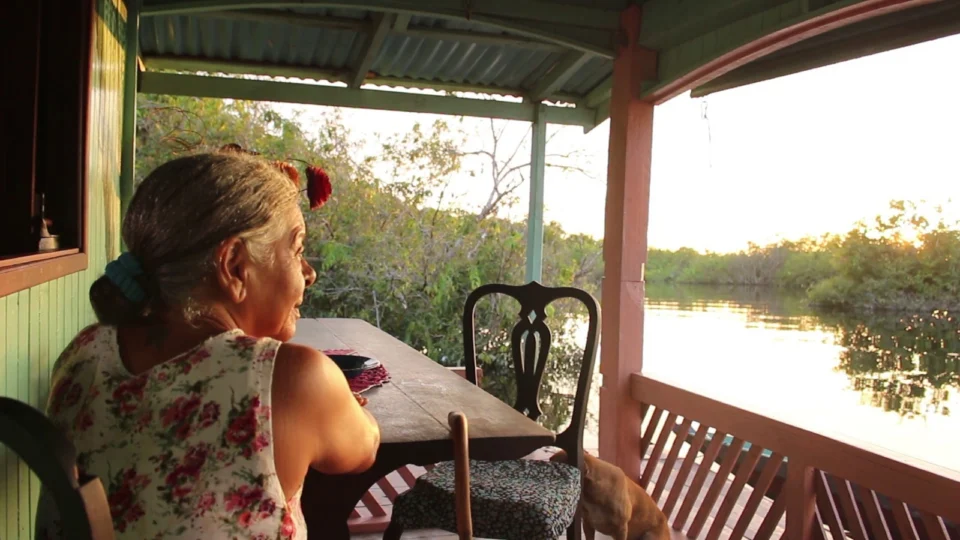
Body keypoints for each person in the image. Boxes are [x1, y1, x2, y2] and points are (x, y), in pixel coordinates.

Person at [38, 152, 380, 539]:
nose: (309, 273)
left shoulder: (85, 350)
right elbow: (364, 449)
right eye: (297, 250)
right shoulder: (290, 378)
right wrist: (343, 403)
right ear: (234, 265)